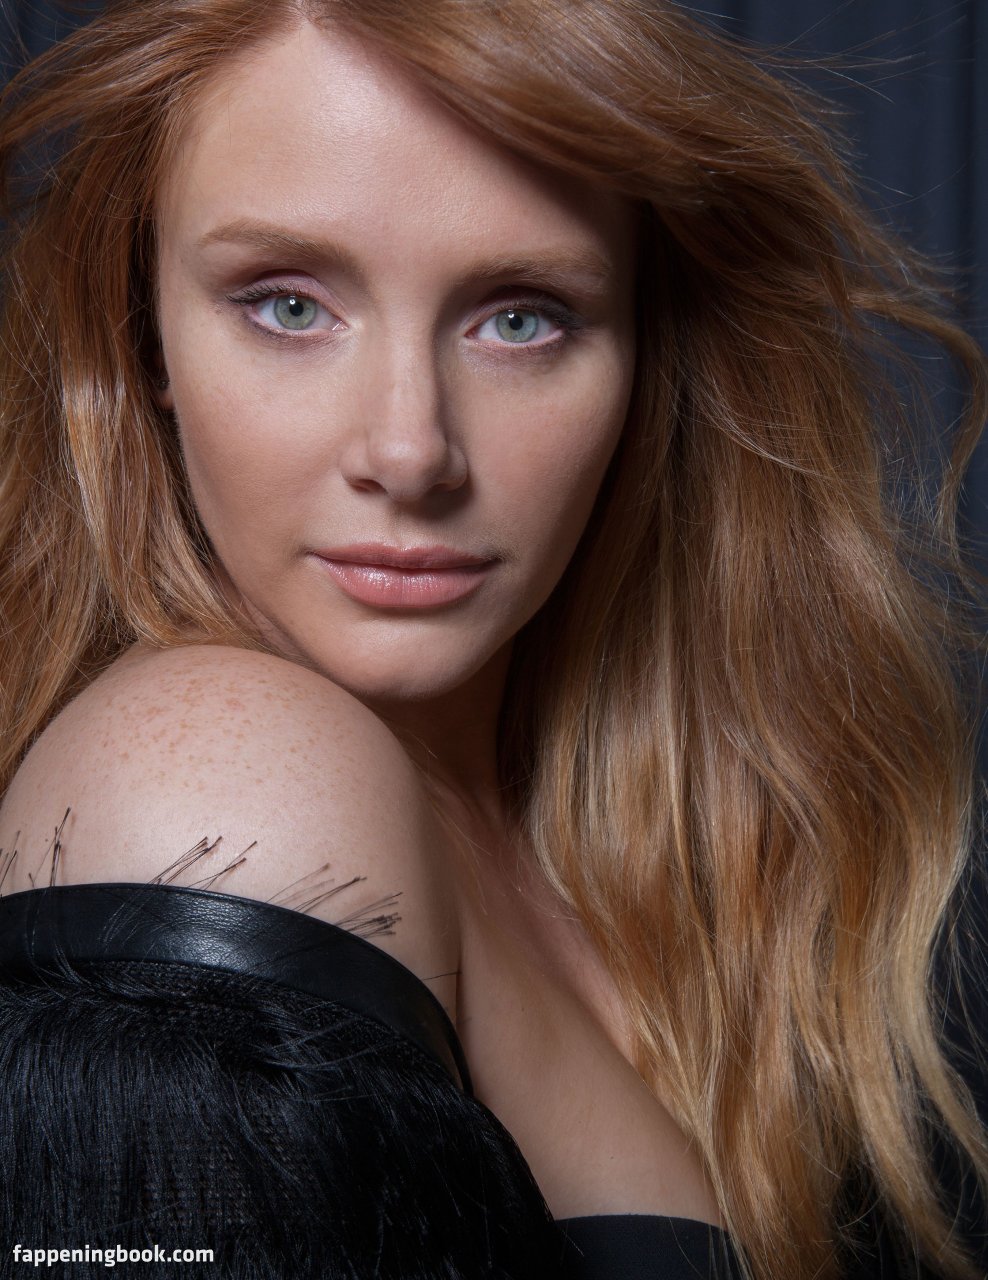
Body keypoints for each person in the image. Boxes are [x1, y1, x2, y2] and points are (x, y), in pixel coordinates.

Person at [0, 1, 985, 1277]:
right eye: (287, 305)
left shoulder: (682, 855)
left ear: (646, 355)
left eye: (521, 317)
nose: (410, 450)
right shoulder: (214, 771)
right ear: (145, 338)